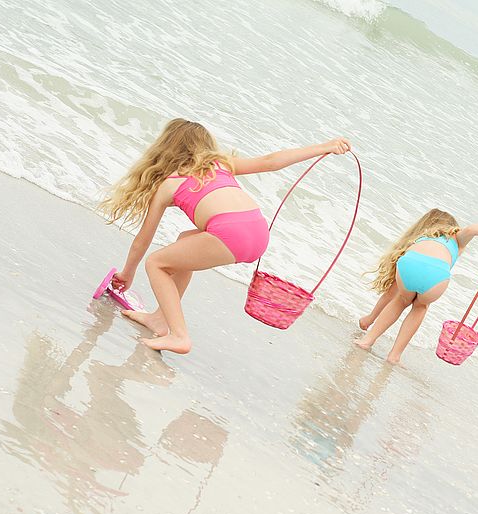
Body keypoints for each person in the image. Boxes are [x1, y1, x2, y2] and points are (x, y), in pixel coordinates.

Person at [99, 118, 350, 354]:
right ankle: (159, 319)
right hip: (258, 233)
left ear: (165, 150)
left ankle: (179, 335)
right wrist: (324, 147)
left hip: (230, 234)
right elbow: (271, 161)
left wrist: (128, 273)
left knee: (156, 262)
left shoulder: (170, 184)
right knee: (186, 242)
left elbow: (144, 239)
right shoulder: (221, 165)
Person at [356, 208, 478, 364]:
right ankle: (394, 355)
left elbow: (390, 293)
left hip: (408, 264)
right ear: (451, 227)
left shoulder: (419, 240)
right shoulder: (456, 238)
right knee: (420, 306)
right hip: (437, 274)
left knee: (400, 300)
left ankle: (367, 341)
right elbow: (472, 230)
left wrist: (370, 318)